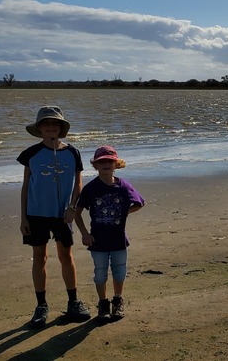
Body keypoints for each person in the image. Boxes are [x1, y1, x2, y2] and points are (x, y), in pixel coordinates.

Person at [17, 106, 91, 328]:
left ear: (61, 128)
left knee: (66, 256)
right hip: (36, 213)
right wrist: (23, 218)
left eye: (55, 124)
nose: (51, 128)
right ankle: (41, 306)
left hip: (62, 215)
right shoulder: (30, 154)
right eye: (46, 124)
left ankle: (73, 302)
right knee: (40, 257)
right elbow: (25, 186)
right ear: (39, 128)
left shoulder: (73, 152)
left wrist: (72, 206)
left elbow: (78, 183)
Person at [75, 145, 145, 321]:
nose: (106, 164)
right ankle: (103, 303)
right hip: (97, 241)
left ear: (116, 163)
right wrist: (84, 234)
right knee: (100, 274)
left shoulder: (123, 186)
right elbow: (77, 212)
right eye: (102, 161)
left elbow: (139, 202)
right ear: (96, 165)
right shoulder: (90, 188)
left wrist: (124, 213)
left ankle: (117, 300)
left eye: (110, 161)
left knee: (119, 272)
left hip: (119, 240)